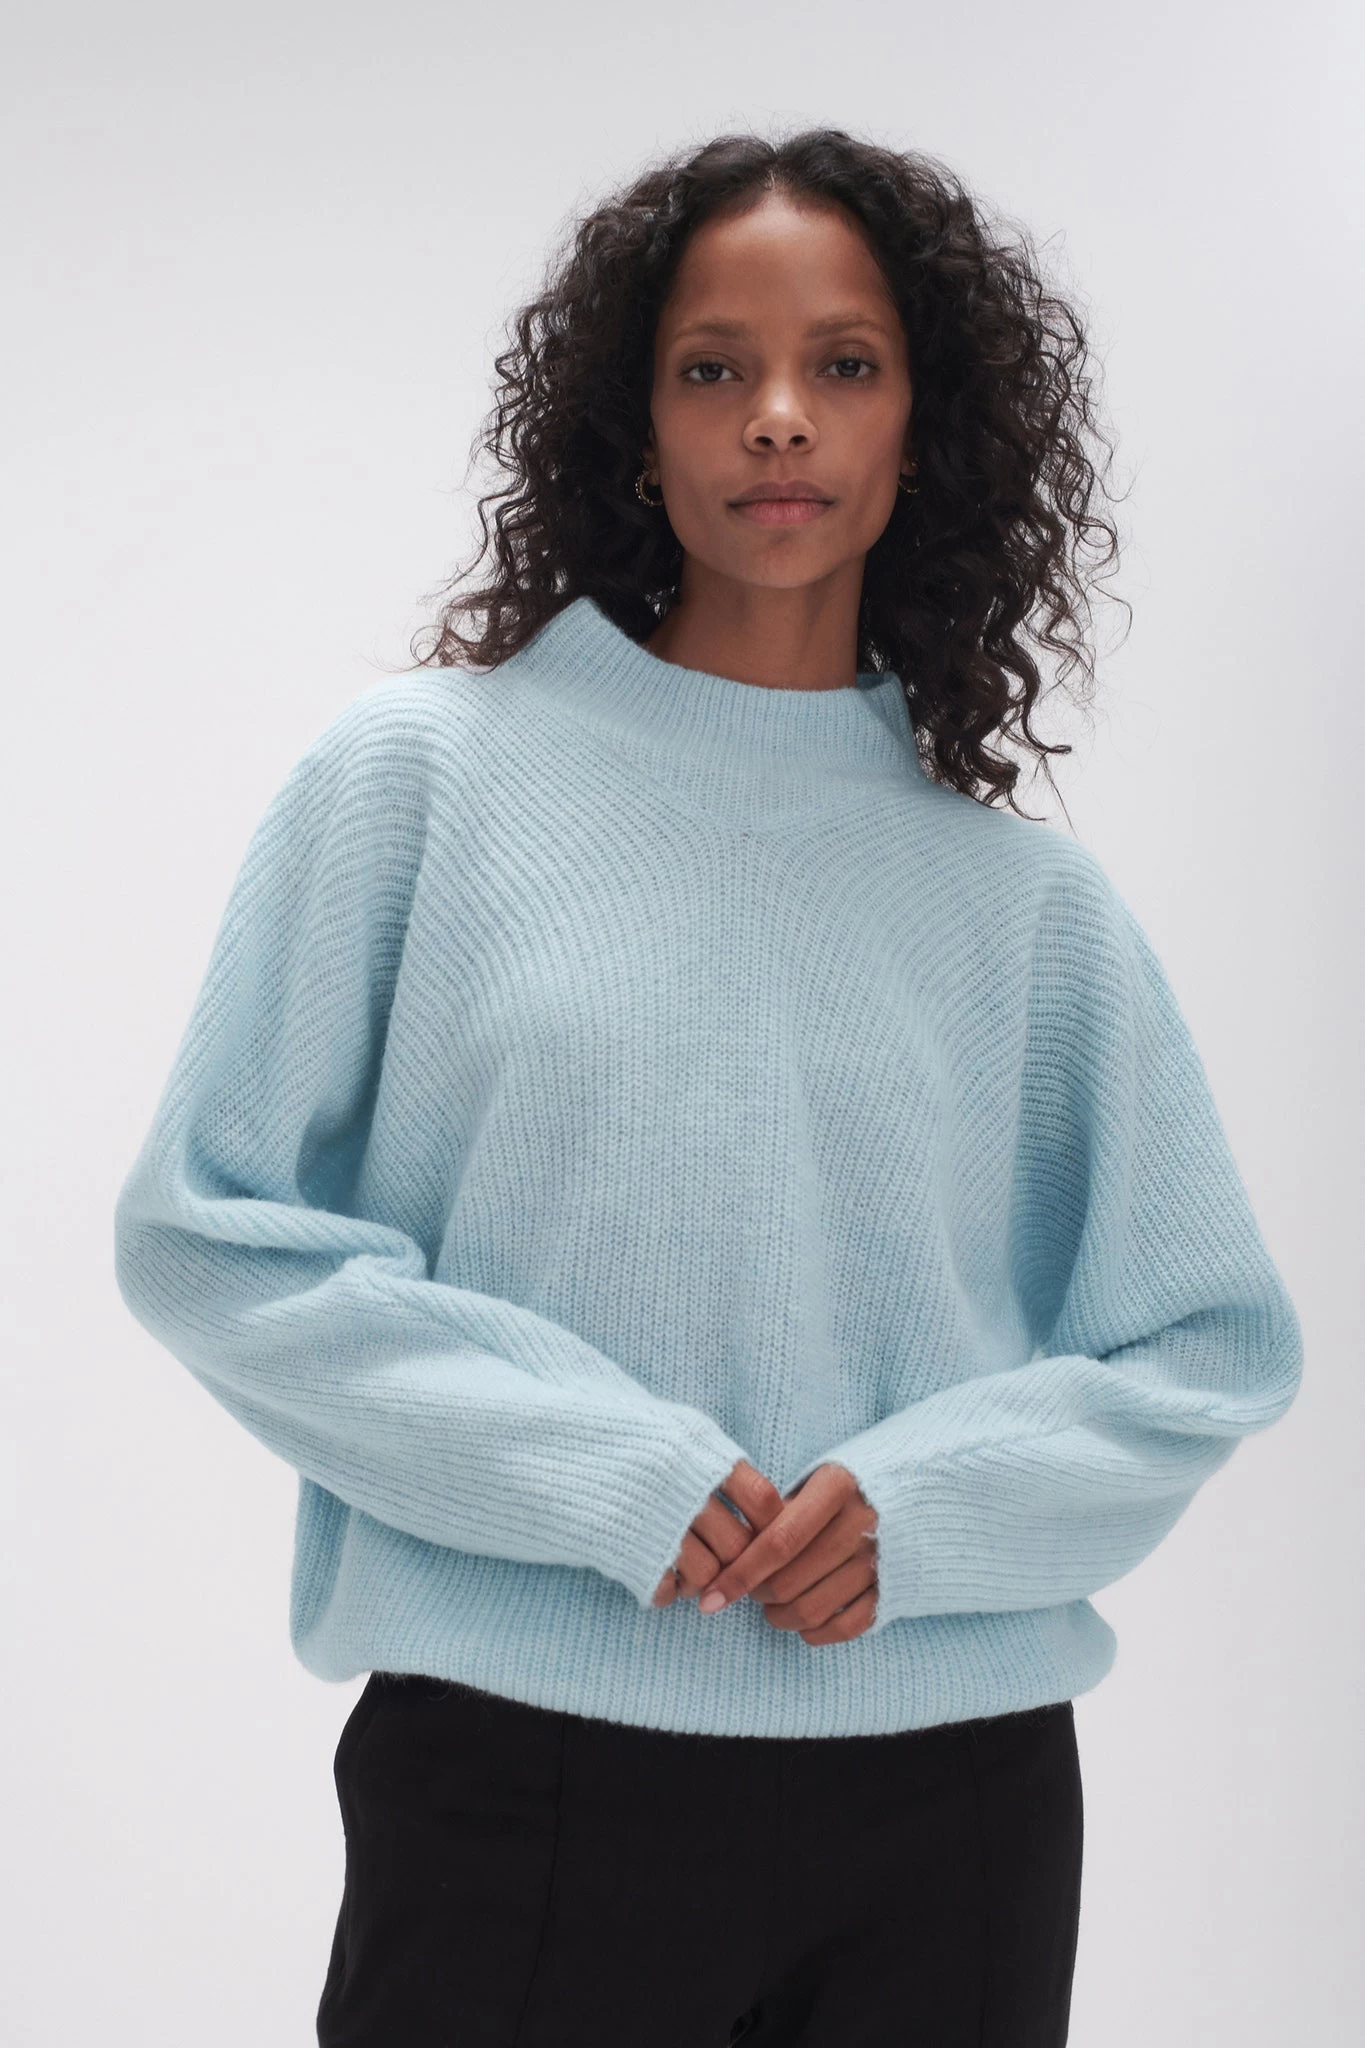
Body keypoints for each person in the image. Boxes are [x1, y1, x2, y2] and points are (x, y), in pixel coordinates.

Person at [112, 126, 1303, 2047]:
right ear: (634, 422)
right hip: (524, 1773)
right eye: (711, 366)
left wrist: (931, 1509)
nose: (777, 417)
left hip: (956, 1798)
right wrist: (598, 1470)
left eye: (846, 364)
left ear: (924, 427)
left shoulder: (1028, 907)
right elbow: (208, 1235)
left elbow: (1208, 1346)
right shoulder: (423, 782)